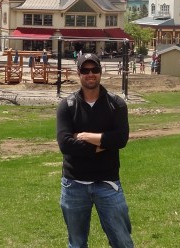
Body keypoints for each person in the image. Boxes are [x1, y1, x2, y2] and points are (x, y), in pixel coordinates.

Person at [56, 53, 134, 248]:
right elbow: (65, 144)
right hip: (74, 185)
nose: (90, 74)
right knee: (77, 243)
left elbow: (121, 139)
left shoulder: (116, 104)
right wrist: (102, 144)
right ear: (78, 73)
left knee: (122, 241)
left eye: (94, 70)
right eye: (85, 70)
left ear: (101, 72)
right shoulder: (67, 105)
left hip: (107, 184)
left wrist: (84, 136)